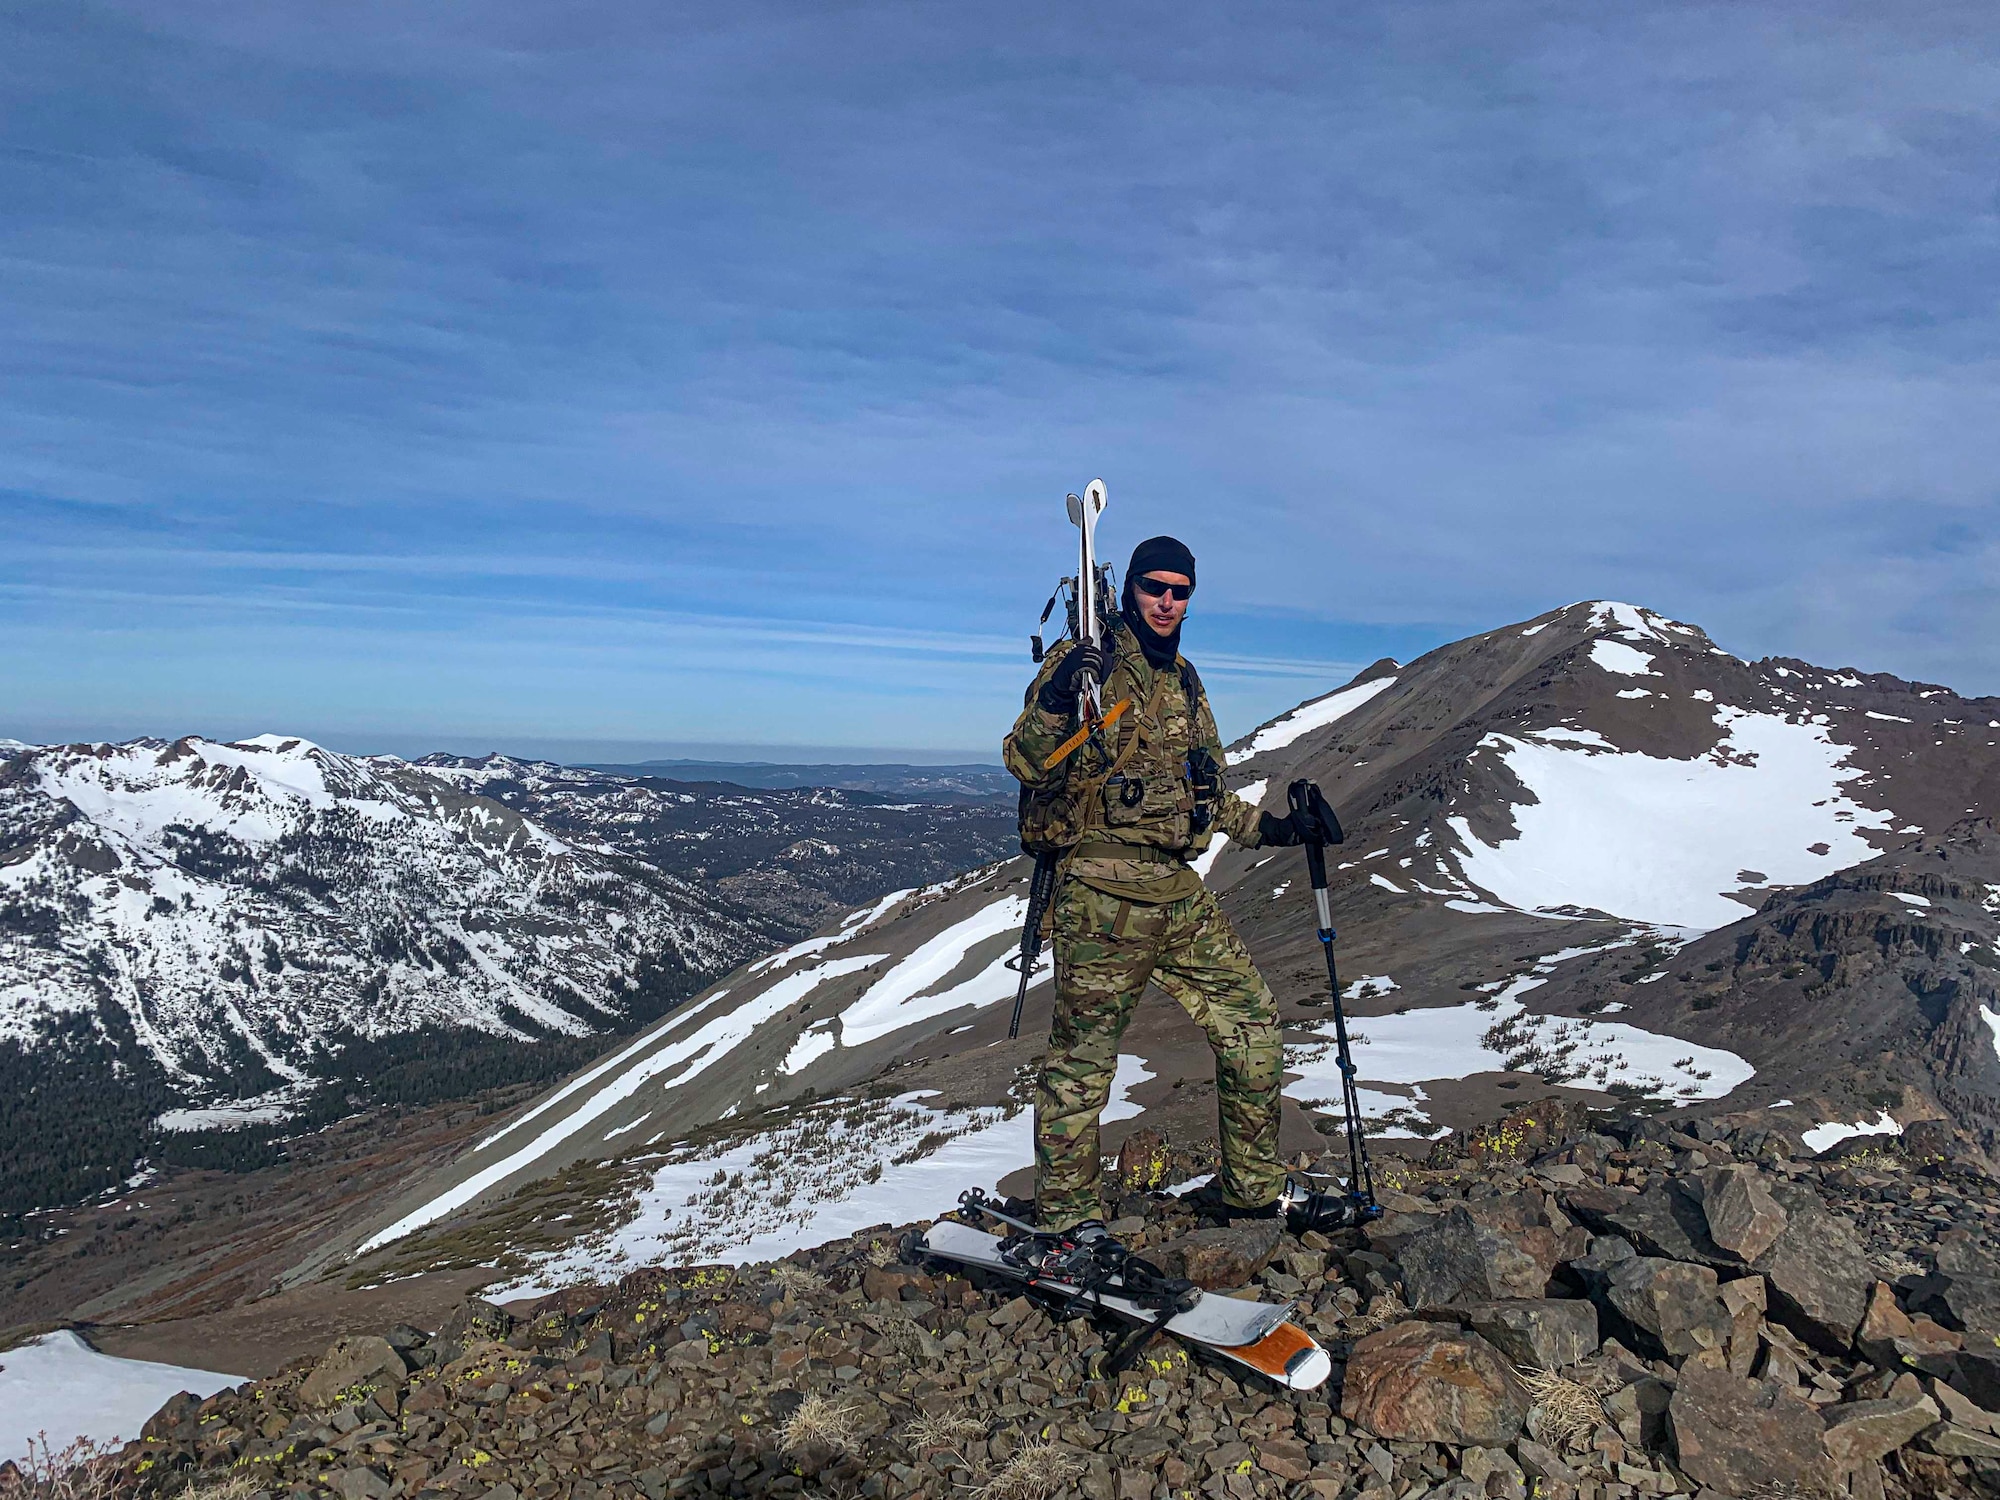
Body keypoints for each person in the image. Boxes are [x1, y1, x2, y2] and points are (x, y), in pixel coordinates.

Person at [1003, 535, 1347, 1236]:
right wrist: (1063, 692)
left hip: (1175, 889)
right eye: (1153, 587)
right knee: (1083, 1064)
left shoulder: (1185, 682)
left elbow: (1207, 791)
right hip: (1099, 894)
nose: (1165, 601)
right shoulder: (1087, 667)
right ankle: (1069, 1226)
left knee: (1252, 1022)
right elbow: (1026, 761)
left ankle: (1252, 1189)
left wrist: (1279, 831)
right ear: (1128, 589)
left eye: (1179, 590)